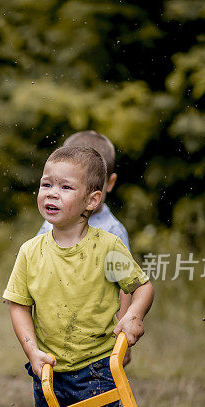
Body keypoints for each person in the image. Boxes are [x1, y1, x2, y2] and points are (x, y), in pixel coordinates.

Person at [3, 146, 154, 407]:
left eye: (64, 187)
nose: (51, 193)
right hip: (51, 370)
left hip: (99, 367)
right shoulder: (31, 252)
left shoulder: (106, 247)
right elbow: (18, 305)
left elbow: (142, 286)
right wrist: (33, 351)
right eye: (46, 184)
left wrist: (133, 317)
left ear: (92, 199)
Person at [38, 130, 135, 365]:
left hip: (97, 339)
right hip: (58, 338)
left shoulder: (112, 232)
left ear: (109, 183)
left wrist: (124, 338)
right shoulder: (52, 222)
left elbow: (125, 287)